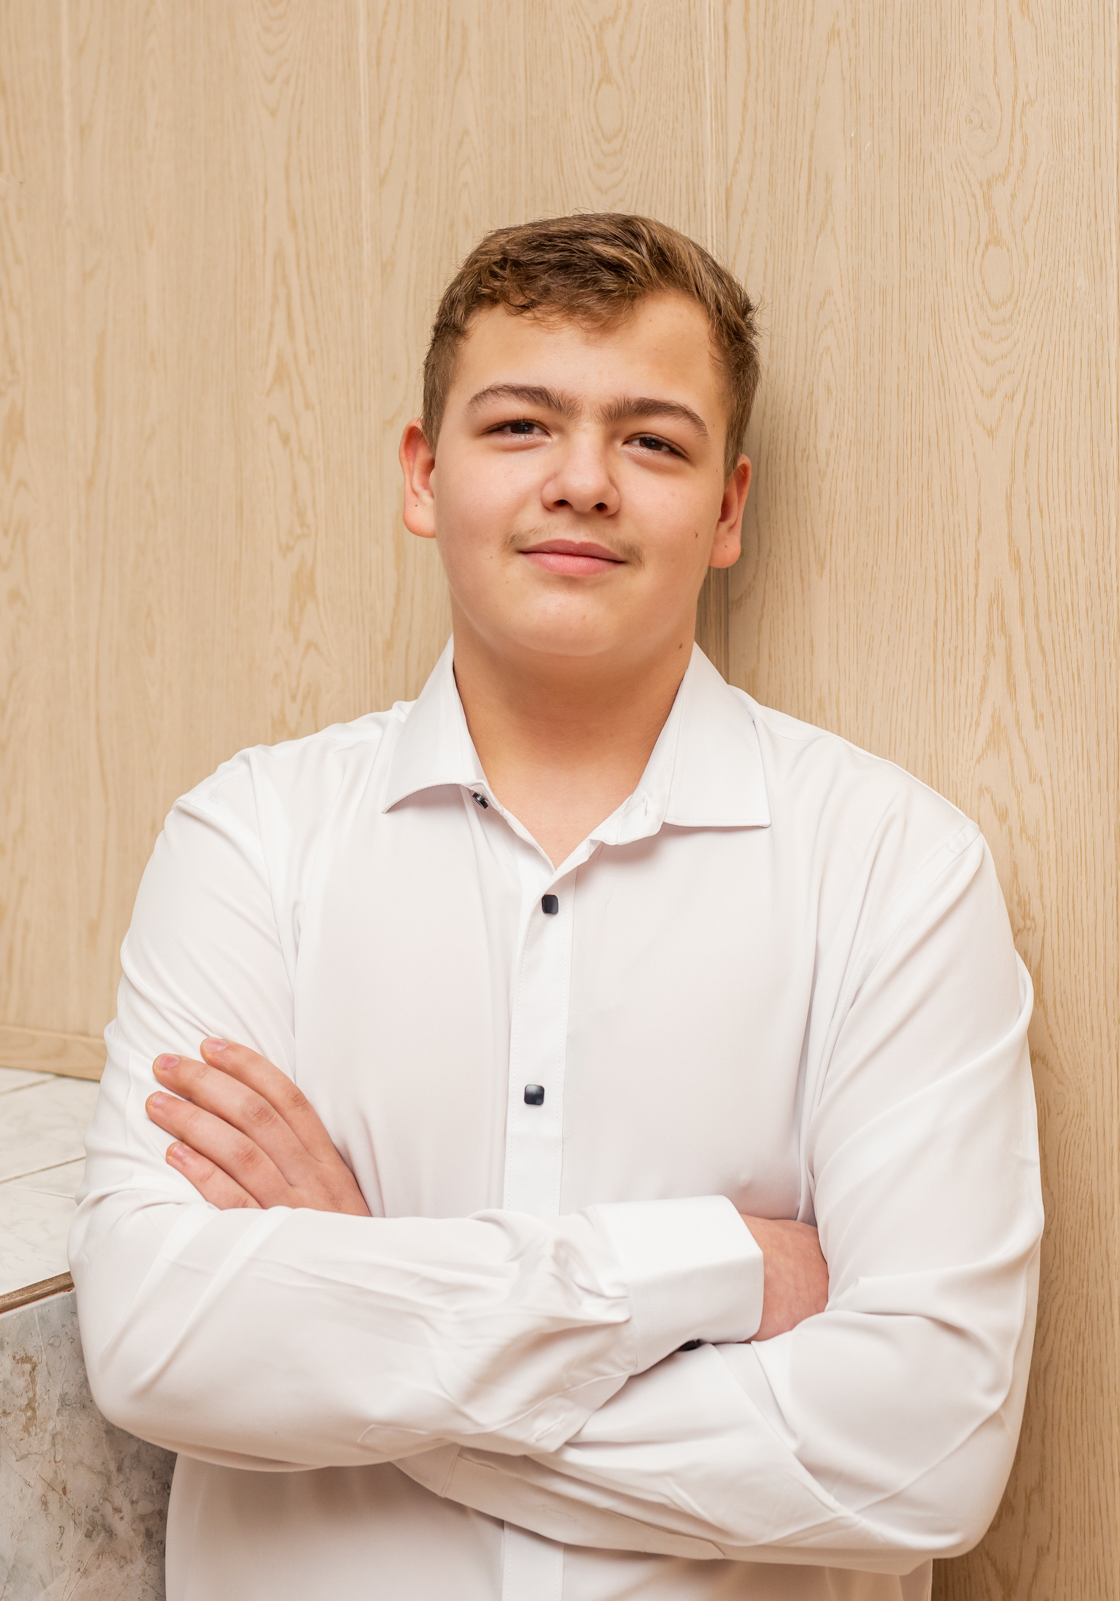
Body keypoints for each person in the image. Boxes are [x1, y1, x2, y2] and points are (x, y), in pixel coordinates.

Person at [70, 214, 1042, 1601]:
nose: (582, 482)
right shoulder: (249, 842)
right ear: (425, 475)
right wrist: (708, 1267)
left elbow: (923, 1453)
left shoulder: (897, 868)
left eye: (652, 441)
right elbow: (160, 1342)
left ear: (727, 510)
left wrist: (361, 1303)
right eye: (521, 425)